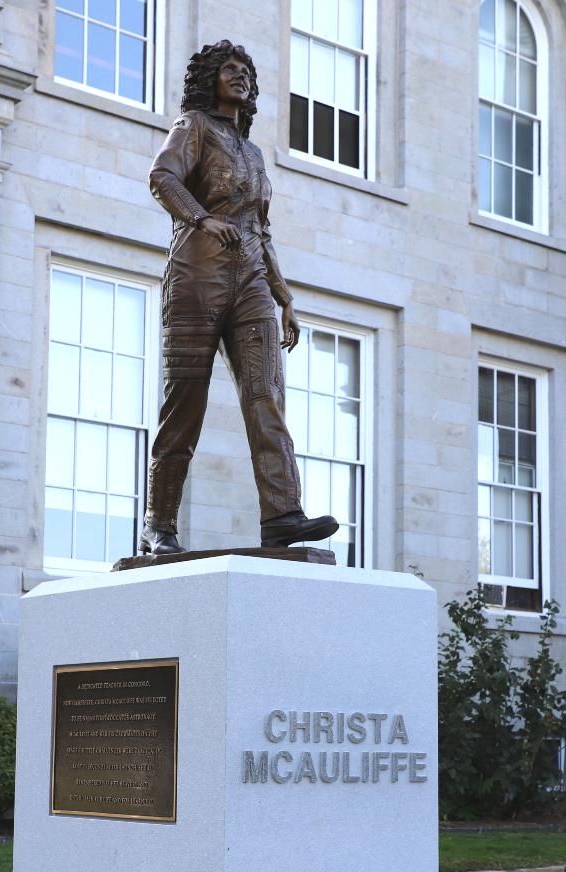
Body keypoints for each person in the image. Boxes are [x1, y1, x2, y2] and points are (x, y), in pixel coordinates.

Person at [141, 40, 338, 555]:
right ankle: (159, 525)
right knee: (185, 404)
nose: (240, 76)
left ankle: (283, 515)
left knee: (265, 393)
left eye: (246, 71)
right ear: (211, 78)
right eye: (229, 69)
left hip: (251, 282)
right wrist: (201, 217)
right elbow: (162, 176)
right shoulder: (193, 128)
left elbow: (260, 228)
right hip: (196, 278)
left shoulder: (252, 154)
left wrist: (284, 294)